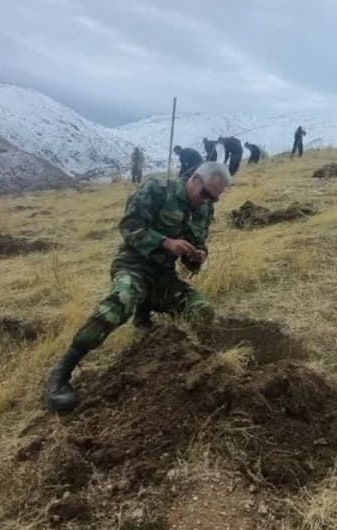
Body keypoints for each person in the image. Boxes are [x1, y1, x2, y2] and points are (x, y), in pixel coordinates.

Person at [44, 161, 231, 414]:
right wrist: (165, 242)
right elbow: (129, 227)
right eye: (206, 193)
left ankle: (146, 312)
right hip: (133, 266)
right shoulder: (157, 189)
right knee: (121, 302)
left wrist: (198, 256)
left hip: (163, 276)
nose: (207, 201)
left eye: (214, 198)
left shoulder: (204, 210)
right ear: (195, 179)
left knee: (202, 311)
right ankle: (60, 373)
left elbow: (197, 247)